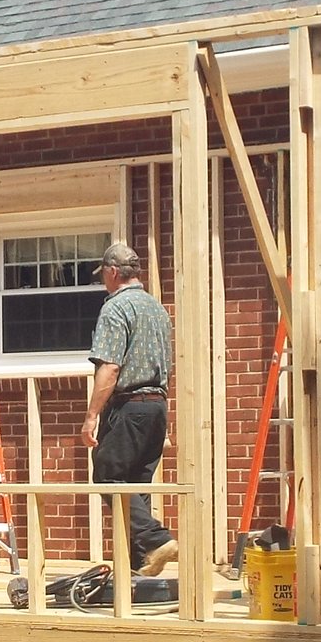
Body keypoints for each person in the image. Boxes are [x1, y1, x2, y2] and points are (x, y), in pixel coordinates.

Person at [81, 240, 180, 575]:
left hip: (131, 406)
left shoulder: (116, 308)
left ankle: (154, 539)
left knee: (108, 476)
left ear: (112, 272)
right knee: (137, 486)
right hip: (157, 407)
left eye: (103, 276)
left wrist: (92, 416)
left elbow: (110, 368)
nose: (103, 281)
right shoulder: (157, 309)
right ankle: (139, 569)